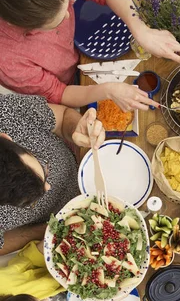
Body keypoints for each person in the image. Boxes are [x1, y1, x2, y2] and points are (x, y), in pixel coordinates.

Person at [0, 0, 180, 110]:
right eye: (54, 23)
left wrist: (141, 30)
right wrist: (107, 90)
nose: (67, 15)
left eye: (66, 3)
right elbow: (58, 93)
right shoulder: (7, 59)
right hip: (71, 82)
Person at [0, 95, 105, 255]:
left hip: (86, 164)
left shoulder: (6, 112)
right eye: (28, 202)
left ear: (5, 136)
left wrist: (78, 129)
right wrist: (52, 227)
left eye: (43, 164)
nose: (48, 187)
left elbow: (63, 117)